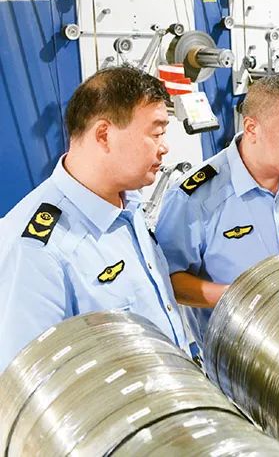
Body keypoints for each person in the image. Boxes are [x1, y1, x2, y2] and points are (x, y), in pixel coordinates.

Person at [0, 66, 188, 372]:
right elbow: (26, 383)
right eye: (156, 133)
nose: (164, 147)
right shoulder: (36, 250)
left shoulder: (130, 205)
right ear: (104, 135)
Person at [156, 74, 279, 344]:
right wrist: (242, 297)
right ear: (252, 128)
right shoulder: (195, 197)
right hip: (235, 350)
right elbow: (170, 279)